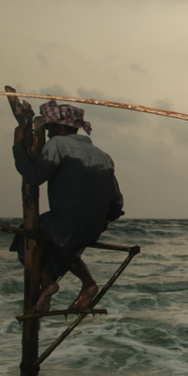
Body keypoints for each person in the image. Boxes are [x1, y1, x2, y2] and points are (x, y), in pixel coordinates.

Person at [11, 100, 124, 313]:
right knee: (60, 246)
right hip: (93, 229)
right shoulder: (104, 156)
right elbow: (117, 204)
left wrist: (18, 145)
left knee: (25, 237)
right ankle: (70, 284)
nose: (49, 134)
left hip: (66, 225)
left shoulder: (59, 144)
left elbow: (35, 176)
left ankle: (52, 283)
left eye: (50, 128)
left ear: (60, 127)